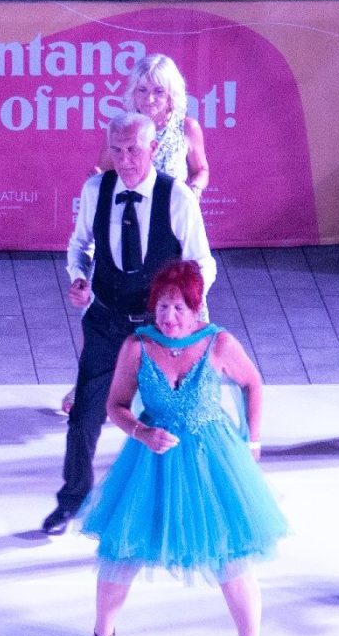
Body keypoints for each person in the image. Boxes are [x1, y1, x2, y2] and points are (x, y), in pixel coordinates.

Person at [74, 261, 285, 636]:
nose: (169, 317)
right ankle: (102, 634)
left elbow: (253, 383)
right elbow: (116, 405)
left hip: (212, 460)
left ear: (196, 308)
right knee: (121, 549)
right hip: (150, 460)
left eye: (178, 308)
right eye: (162, 307)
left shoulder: (220, 343)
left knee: (230, 557)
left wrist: (253, 442)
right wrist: (142, 432)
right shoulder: (137, 346)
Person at [44, 112, 216, 535]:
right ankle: (72, 499)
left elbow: (202, 262)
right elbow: (80, 245)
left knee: (176, 416)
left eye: (133, 150)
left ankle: (187, 498)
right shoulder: (96, 189)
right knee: (85, 413)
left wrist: (183, 310)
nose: (124, 160)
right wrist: (79, 277)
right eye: (117, 151)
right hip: (106, 318)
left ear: (153, 149)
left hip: (159, 329)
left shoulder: (177, 197)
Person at [125, 53, 210, 193]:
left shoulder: (187, 127)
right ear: (133, 92)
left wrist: (195, 189)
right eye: (142, 90)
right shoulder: (122, 129)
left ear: (171, 94)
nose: (149, 99)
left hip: (173, 205)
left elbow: (201, 170)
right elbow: (103, 172)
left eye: (158, 91)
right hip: (131, 206)